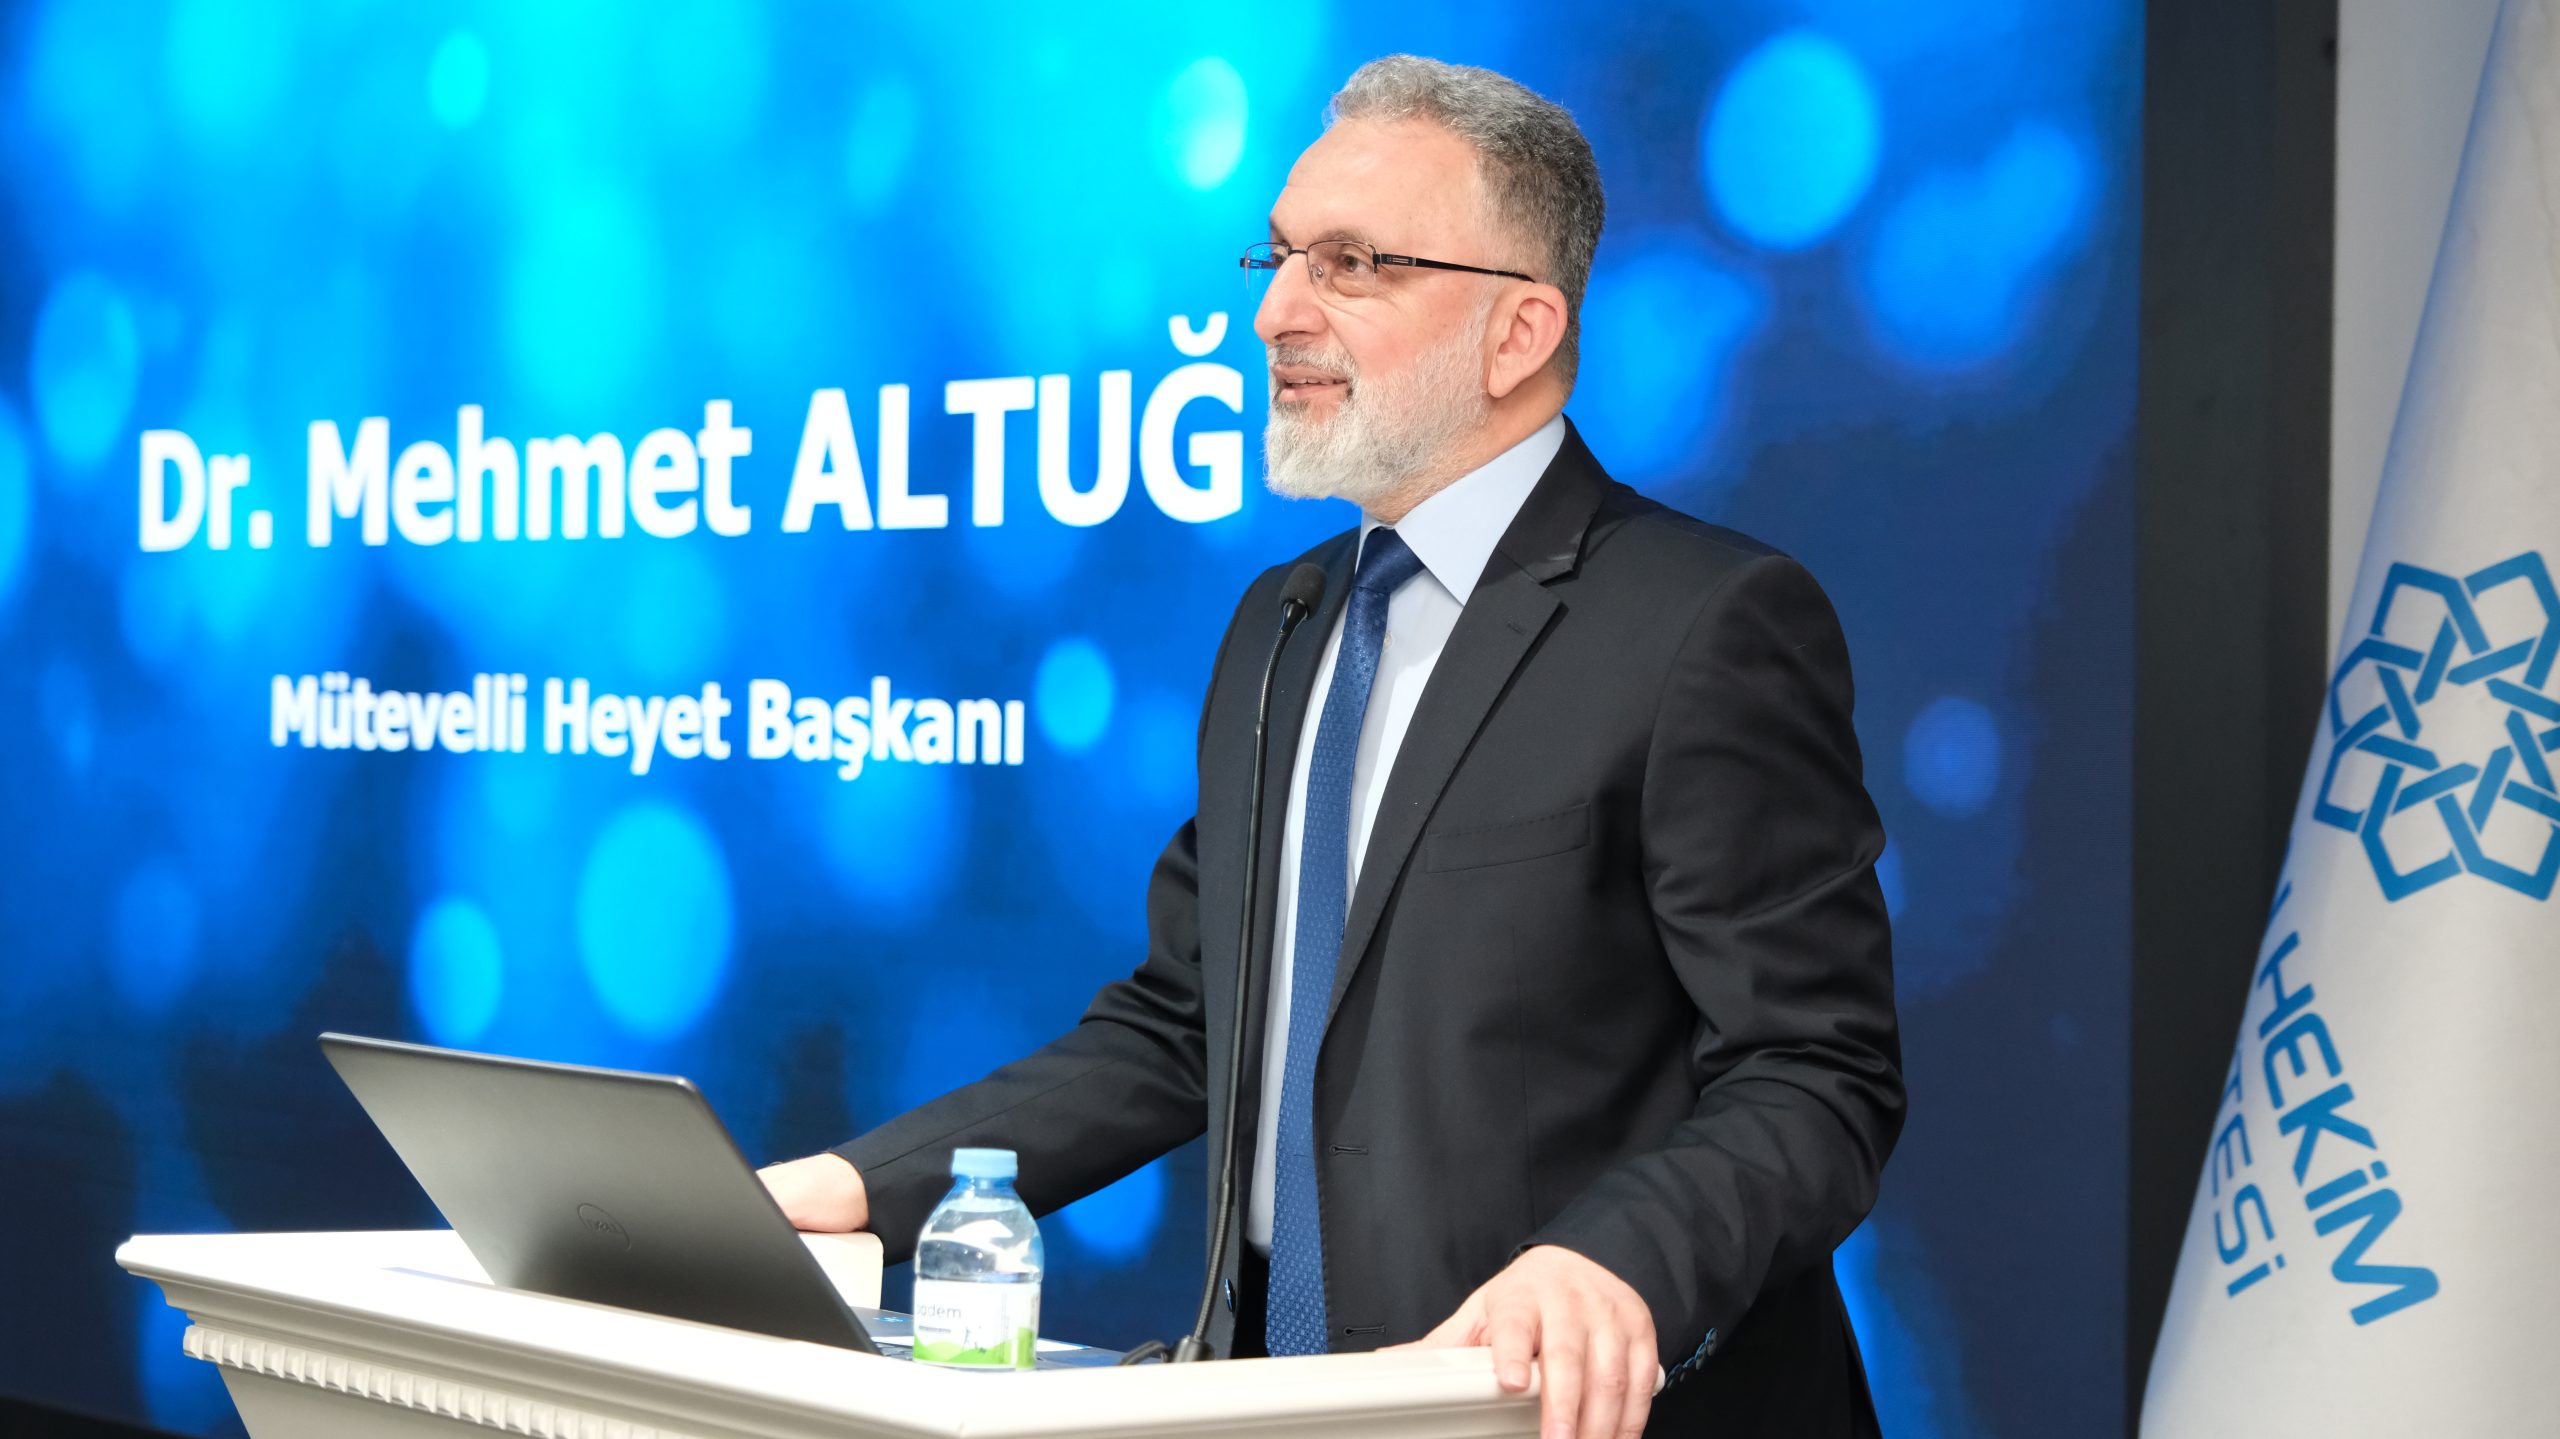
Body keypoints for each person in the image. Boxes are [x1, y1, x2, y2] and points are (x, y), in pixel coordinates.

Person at [762, 55, 1904, 1439]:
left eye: (1351, 264)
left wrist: (1615, 1266)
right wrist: (860, 1187)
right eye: (1281, 256)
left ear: (1519, 332)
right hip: (1277, 1401)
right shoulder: (1283, 623)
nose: (1274, 313)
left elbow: (1815, 1075)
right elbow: (1188, 1026)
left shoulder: (1704, 623)